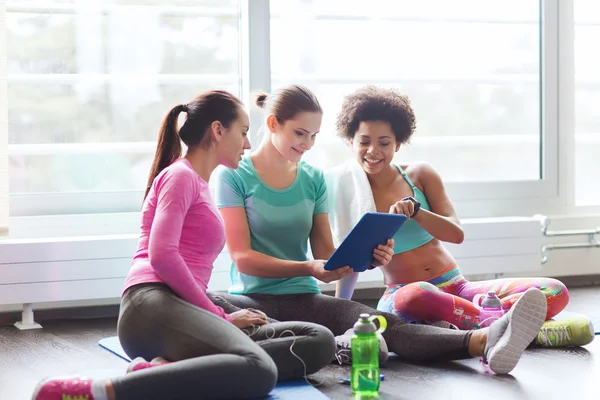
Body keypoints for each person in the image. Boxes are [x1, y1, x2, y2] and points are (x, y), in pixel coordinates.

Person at [210, 83, 550, 375]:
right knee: (312, 337)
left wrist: (366, 258)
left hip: (303, 296)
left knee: (380, 326)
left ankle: (485, 339)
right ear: (272, 124)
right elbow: (242, 259)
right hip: (252, 298)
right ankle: (331, 346)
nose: (308, 144)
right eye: (300, 134)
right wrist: (311, 268)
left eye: (313, 135)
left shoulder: (313, 178)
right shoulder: (234, 176)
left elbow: (327, 256)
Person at [31, 90, 336, 400]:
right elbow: (162, 255)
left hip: (182, 308)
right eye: (243, 132)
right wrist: (221, 315)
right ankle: (96, 391)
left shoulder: (199, 183)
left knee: (318, 339)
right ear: (218, 131)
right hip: (151, 304)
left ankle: (164, 371)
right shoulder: (180, 176)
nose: (247, 143)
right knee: (259, 369)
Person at [326, 85, 594, 348]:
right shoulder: (350, 191)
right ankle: (507, 327)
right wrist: (340, 312)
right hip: (405, 295)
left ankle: (488, 328)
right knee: (415, 295)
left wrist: (417, 212)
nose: (373, 151)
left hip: (458, 289)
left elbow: (456, 234)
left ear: (398, 143)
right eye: (364, 141)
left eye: (384, 142)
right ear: (351, 141)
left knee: (555, 290)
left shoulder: (420, 174)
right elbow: (348, 261)